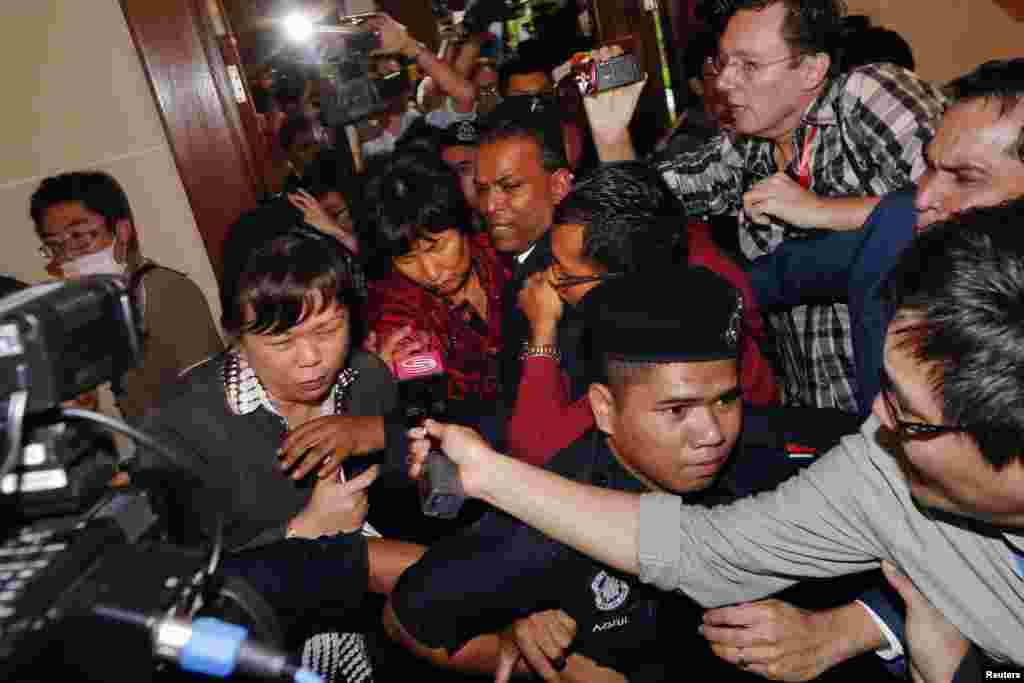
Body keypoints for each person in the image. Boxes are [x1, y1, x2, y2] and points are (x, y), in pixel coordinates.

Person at [407, 200, 1024, 679]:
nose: (878, 426)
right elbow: (706, 552)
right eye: (675, 408)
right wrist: (516, 643)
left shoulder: (792, 449)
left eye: (910, 420)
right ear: (605, 408)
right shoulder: (876, 469)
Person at [388, 267, 886, 682]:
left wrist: (843, 628)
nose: (711, 432)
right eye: (676, 410)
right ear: (604, 409)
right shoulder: (543, 520)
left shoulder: (782, 449)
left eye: (725, 399)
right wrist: (525, 654)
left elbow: (935, 530)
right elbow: (406, 620)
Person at [583, 0, 946, 415]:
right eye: (724, 63)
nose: (725, 83)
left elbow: (965, 205)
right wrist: (611, 135)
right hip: (818, 411)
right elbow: (639, 212)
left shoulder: (866, 95)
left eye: (749, 66)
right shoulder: (745, 148)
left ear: (811, 69)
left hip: (921, 405)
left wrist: (823, 211)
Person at [132, 201, 424, 682]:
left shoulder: (368, 380)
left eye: (328, 330)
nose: (310, 359)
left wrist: (389, 440)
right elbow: (171, 593)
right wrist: (299, 535)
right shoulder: (179, 424)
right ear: (236, 334)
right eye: (281, 342)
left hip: (387, 642)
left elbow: (416, 503)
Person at [749, 58, 1024, 415]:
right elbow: (766, 280)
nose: (924, 198)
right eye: (930, 167)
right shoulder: (898, 224)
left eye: (966, 178)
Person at [508, 161, 778, 464]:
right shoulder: (668, 251)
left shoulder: (668, 332)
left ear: (619, 286)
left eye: (563, 271)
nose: (550, 278)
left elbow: (534, 452)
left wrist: (543, 331)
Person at [29, 171, 223, 419]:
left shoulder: (164, 291)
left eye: (79, 236)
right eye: (55, 246)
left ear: (121, 232)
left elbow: (211, 403)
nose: (68, 256)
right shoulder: (94, 308)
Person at [360, 150, 507, 431]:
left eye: (436, 246)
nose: (430, 272)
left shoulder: (504, 256)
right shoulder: (397, 310)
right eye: (407, 259)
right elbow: (426, 384)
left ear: (463, 223)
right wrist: (385, 375)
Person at [475, 97, 574, 428]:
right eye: (482, 190)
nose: (490, 205)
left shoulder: (564, 276)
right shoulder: (520, 262)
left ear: (559, 185)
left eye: (509, 187)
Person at [359, 14, 477, 159]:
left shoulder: (429, 125)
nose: (389, 85)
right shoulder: (359, 137)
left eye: (395, 77)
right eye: (382, 79)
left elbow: (465, 95)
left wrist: (409, 46)